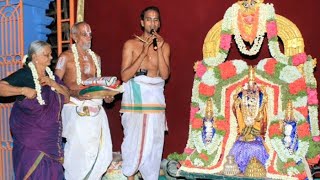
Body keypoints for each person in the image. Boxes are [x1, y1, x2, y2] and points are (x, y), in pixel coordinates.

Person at [0, 40, 70, 179]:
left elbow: (67, 97)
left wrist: (53, 83)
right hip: (31, 142)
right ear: (35, 57)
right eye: (46, 55)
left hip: (51, 140)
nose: (51, 57)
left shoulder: (52, 77)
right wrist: (22, 90)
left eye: (51, 54)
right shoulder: (25, 75)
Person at [55, 22, 114, 180]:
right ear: (74, 37)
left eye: (90, 34)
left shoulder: (97, 58)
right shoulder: (65, 57)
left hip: (96, 108)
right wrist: (75, 93)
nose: (88, 37)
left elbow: (98, 83)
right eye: (84, 34)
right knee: (79, 152)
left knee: (101, 152)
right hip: (75, 108)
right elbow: (55, 84)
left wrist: (107, 95)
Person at [120, 6, 170, 180]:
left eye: (156, 20)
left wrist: (161, 49)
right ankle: (130, 176)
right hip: (136, 100)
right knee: (134, 143)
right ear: (142, 22)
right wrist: (142, 54)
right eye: (149, 19)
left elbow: (165, 75)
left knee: (154, 144)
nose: (152, 23)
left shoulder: (164, 45)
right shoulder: (130, 45)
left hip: (155, 101)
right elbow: (125, 76)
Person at [228, 66, 269, 173]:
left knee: (257, 147)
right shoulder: (242, 94)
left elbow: (263, 108)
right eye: (249, 81)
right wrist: (236, 101)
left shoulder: (259, 94)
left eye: (253, 81)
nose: (251, 84)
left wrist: (264, 98)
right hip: (244, 128)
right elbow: (236, 106)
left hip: (255, 129)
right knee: (238, 146)